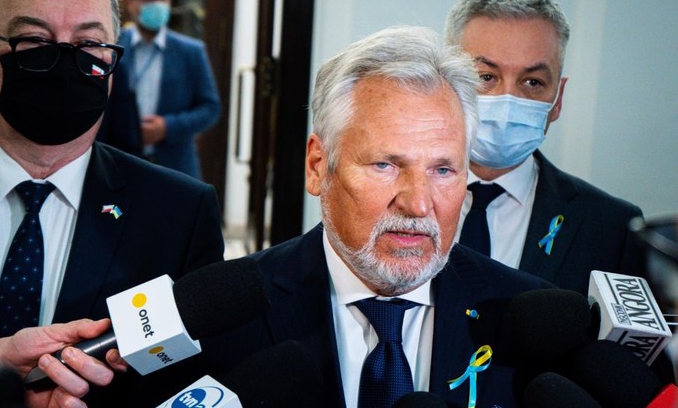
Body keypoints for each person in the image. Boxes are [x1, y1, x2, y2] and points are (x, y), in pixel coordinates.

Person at [0, 0, 224, 407]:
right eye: (34, 40)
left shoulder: (180, 214)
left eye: (89, 43)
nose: (63, 62)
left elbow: (193, 380)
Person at [197, 25, 554, 408]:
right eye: (385, 165)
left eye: (443, 170)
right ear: (317, 166)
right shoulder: (222, 323)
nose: (418, 205)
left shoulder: (528, 321)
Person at [444, 0, 645, 294]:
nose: (508, 99)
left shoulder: (613, 228)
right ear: (444, 83)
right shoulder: (388, 199)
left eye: (533, 81)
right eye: (485, 77)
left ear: (557, 99)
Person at [116, 0, 221, 180]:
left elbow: (211, 108)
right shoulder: (114, 46)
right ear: (130, 2)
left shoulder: (191, 51)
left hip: (175, 168)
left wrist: (167, 127)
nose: (157, 4)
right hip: (119, 165)